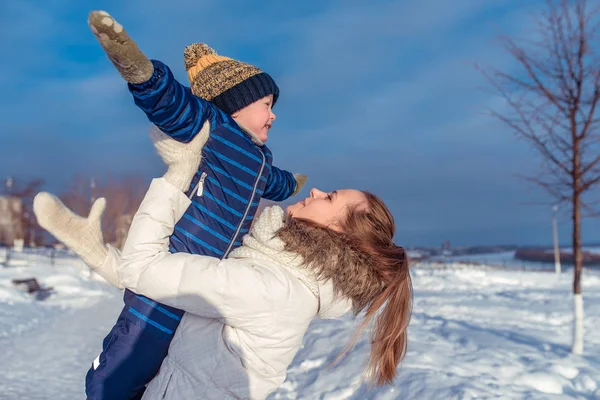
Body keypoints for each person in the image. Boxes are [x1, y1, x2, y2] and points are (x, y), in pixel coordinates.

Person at [34, 125, 413, 399]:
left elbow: (145, 269)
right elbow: (173, 287)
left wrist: (177, 176)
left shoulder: (273, 289)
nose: (315, 190)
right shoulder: (279, 275)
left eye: (329, 197)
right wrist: (99, 254)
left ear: (339, 232)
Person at [80, 10, 307, 399]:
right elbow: (173, 106)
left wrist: (292, 185)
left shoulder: (261, 160)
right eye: (266, 104)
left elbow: (275, 181)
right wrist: (142, 74)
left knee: (169, 367)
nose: (272, 116)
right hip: (169, 270)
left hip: (206, 282)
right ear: (236, 102)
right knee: (127, 362)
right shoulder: (214, 128)